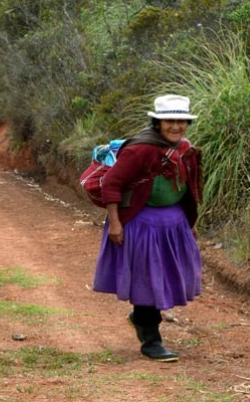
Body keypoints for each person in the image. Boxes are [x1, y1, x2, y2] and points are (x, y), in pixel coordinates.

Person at [93, 94, 203, 362]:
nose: (175, 126)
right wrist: (116, 223)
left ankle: (141, 320)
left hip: (173, 224)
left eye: (181, 121)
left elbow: (189, 187)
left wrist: (190, 223)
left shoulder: (185, 149)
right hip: (143, 225)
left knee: (165, 277)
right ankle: (151, 340)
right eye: (169, 121)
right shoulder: (139, 150)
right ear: (157, 123)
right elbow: (111, 184)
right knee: (148, 281)